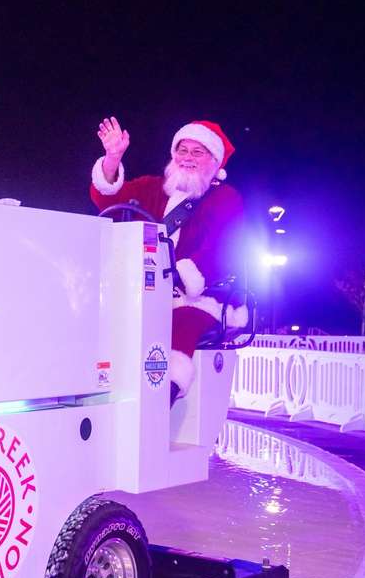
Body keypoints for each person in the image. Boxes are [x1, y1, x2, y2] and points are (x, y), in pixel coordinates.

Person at [89, 117, 247, 399]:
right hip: (147, 290)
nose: (187, 158)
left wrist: (179, 277)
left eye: (197, 152)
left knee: (179, 324)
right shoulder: (153, 187)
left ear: (214, 160)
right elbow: (108, 199)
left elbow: (220, 251)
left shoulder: (226, 199)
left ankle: (162, 397)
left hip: (201, 296)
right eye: (182, 150)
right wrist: (112, 159)